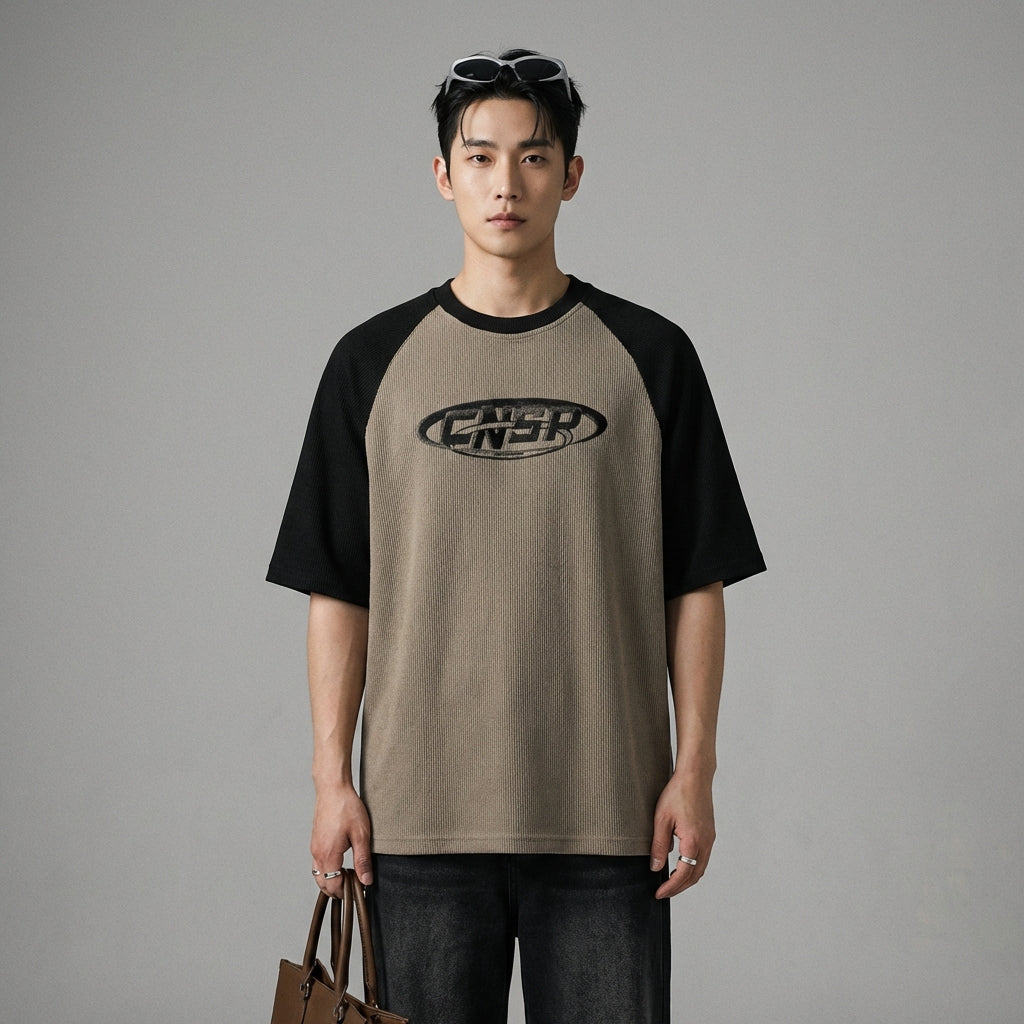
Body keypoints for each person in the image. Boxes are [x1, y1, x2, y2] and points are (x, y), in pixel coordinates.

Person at [267, 48, 765, 1024]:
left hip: (608, 816)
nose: (507, 184)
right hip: (416, 822)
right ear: (443, 175)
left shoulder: (651, 357)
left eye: (534, 157)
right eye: (481, 157)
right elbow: (339, 589)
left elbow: (695, 584)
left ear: (571, 176)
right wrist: (332, 782)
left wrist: (694, 769)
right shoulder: (370, 363)